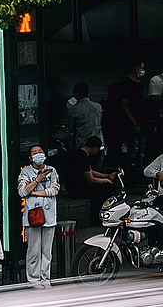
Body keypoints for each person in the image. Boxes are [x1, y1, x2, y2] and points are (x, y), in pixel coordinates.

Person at [16, 146, 59, 288]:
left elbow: (54, 189)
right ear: (30, 157)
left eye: (40, 152)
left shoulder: (52, 170)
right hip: (32, 216)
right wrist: (38, 180)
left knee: (47, 250)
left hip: (49, 215)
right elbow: (22, 191)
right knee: (33, 250)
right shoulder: (25, 172)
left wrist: (34, 192)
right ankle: (33, 280)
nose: (38, 155)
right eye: (35, 153)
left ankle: (45, 278)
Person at [103, 61, 147, 166]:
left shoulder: (140, 84)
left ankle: (137, 171)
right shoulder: (126, 85)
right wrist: (134, 122)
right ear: (134, 68)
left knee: (141, 149)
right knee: (133, 149)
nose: (142, 70)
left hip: (141, 120)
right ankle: (125, 171)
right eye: (141, 68)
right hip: (131, 122)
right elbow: (125, 104)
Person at [64, 82, 105, 150]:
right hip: (98, 144)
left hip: (83, 145)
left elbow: (71, 131)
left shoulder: (73, 109)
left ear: (76, 94)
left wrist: (71, 146)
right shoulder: (98, 106)